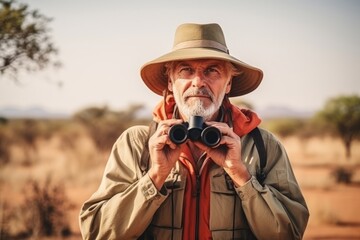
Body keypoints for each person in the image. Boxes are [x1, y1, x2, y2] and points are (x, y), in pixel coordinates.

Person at [79, 23, 309, 240]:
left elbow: (289, 234)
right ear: (170, 82)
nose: (198, 82)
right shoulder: (137, 144)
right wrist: (156, 176)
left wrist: (240, 174)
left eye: (212, 71)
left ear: (228, 84)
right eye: (186, 70)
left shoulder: (263, 146)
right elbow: (97, 232)